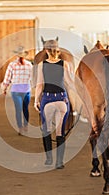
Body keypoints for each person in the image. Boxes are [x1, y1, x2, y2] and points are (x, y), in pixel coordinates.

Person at [34, 39, 73, 169]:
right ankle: (59, 162)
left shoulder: (41, 65)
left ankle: (49, 159)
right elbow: (69, 83)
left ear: (46, 50)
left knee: (46, 130)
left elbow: (40, 85)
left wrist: (36, 100)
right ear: (58, 49)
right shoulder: (65, 64)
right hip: (62, 100)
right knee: (60, 132)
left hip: (47, 100)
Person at [1, 46, 33, 135]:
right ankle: (26, 126)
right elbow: (32, 78)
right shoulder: (29, 65)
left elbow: (7, 78)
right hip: (26, 90)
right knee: (25, 108)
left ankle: (20, 128)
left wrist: (4, 88)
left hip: (16, 91)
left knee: (18, 110)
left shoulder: (12, 65)